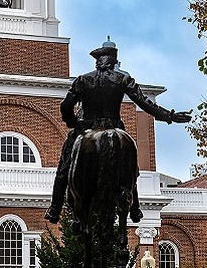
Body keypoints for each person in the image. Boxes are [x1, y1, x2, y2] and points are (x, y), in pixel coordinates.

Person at [44, 40, 192, 224]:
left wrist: (73, 122)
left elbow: (66, 106)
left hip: (87, 127)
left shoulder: (83, 80)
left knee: (64, 168)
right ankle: (135, 207)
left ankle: (55, 208)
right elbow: (145, 103)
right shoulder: (122, 79)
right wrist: (169, 116)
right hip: (114, 126)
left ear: (98, 62)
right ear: (113, 62)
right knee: (131, 167)